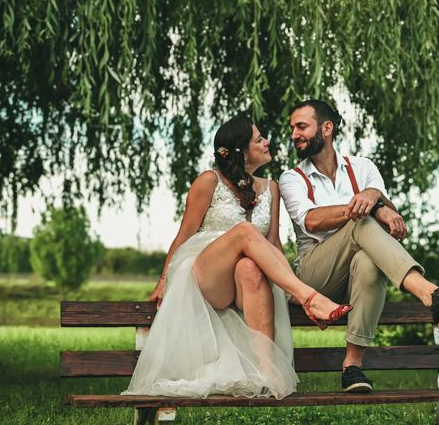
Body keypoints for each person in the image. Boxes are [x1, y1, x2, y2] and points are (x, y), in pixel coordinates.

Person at [122, 115, 352, 400]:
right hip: (207, 274)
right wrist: (163, 280)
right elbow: (184, 235)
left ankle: (267, 371)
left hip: (243, 283)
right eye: (259, 139)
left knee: (250, 268)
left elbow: (273, 245)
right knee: (244, 231)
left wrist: (283, 287)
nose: (267, 141)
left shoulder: (271, 188)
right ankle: (311, 298)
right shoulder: (209, 180)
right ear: (242, 151)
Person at [279, 100, 439, 393]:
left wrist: (374, 195)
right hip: (314, 277)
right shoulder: (292, 177)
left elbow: (392, 217)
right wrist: (368, 205)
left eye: (301, 126)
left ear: (326, 128)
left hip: (355, 277)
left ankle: (352, 368)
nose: (294, 134)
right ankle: (430, 294)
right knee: (360, 222)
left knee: (369, 262)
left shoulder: (362, 167)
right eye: (293, 128)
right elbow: (312, 220)